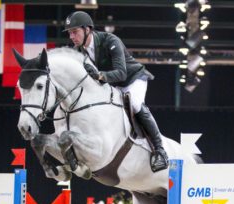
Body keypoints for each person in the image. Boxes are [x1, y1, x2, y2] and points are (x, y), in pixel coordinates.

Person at [63, 11, 168, 172]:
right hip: (112, 85)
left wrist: (99, 75)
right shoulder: (78, 51)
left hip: (133, 79)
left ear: (87, 29)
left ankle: (160, 151)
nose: (71, 36)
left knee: (135, 104)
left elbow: (121, 73)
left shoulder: (110, 40)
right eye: (70, 33)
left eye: (75, 31)